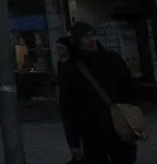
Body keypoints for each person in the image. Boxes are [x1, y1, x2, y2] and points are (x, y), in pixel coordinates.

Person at [59, 22, 141, 164]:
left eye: (93, 35)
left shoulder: (113, 60)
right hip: (91, 131)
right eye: (86, 37)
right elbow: (68, 109)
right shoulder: (71, 69)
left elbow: (130, 88)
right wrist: (73, 143)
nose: (92, 40)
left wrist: (131, 114)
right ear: (78, 41)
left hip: (119, 126)